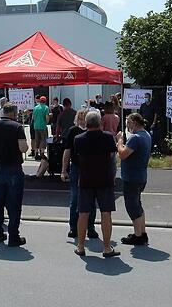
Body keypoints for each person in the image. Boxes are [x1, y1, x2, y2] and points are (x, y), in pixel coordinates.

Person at [71, 111, 119, 257]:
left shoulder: (78, 139)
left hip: (85, 179)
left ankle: (80, 246)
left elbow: (76, 157)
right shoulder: (108, 137)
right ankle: (106, 247)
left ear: (86, 123)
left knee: (83, 213)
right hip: (105, 179)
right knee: (106, 213)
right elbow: (112, 155)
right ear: (99, 123)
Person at [0, 104, 28, 247]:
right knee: (14, 204)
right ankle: (13, 236)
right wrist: (26, 146)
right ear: (14, 113)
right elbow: (23, 148)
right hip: (14, 168)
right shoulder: (17, 127)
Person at [61, 109, 98, 239]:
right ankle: (73, 227)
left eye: (84, 118)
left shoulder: (93, 131)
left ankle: (91, 227)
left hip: (91, 168)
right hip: (76, 167)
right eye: (80, 118)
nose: (82, 121)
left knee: (91, 200)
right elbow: (67, 151)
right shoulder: (73, 131)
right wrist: (64, 170)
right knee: (75, 198)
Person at [116, 113, 151, 246]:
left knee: (132, 206)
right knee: (138, 204)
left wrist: (119, 141)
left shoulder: (135, 138)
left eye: (128, 124)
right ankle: (142, 232)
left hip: (132, 177)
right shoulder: (146, 135)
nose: (127, 127)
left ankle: (138, 235)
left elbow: (123, 154)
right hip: (141, 175)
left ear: (134, 123)